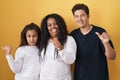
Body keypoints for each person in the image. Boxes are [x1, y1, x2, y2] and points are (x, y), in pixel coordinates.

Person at [70, 3, 116, 80]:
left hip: (99, 77)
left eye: (82, 15)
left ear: (88, 16)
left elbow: (112, 56)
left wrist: (106, 43)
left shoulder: (100, 32)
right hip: (80, 77)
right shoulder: (73, 35)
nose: (80, 19)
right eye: (76, 16)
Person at [39, 13, 77, 80]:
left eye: (56, 23)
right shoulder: (44, 42)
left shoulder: (69, 39)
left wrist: (60, 48)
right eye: (49, 25)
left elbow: (71, 60)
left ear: (60, 25)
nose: (53, 26)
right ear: (46, 28)